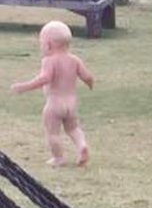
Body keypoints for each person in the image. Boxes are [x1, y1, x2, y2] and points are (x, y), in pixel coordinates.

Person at [10, 20, 95, 167]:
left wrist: (24, 87)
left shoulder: (49, 60)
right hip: (71, 104)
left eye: (41, 43)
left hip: (54, 104)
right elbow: (87, 76)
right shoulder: (74, 60)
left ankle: (58, 158)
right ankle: (82, 146)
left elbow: (45, 78)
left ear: (48, 44)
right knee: (73, 128)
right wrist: (90, 84)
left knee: (53, 133)